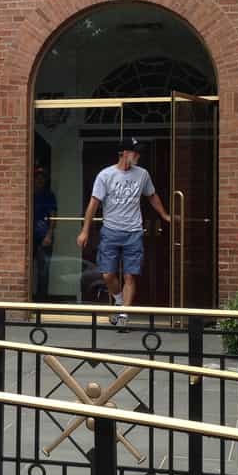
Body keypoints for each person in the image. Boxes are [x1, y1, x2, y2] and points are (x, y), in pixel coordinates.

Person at [75, 137, 171, 331]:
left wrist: (164, 215)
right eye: (134, 152)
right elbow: (94, 204)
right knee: (108, 274)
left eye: (138, 152)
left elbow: (151, 195)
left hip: (134, 232)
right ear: (124, 153)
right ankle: (119, 301)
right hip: (111, 231)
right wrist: (84, 230)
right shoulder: (106, 175)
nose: (138, 155)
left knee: (130, 276)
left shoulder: (142, 174)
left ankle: (123, 316)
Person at [32, 165, 57, 301]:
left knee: (43, 271)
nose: (40, 180)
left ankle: (41, 302)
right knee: (26, 269)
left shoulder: (49, 196)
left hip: (43, 237)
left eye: (42, 178)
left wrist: (49, 235)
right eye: (37, 177)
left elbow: (53, 216)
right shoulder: (29, 194)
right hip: (29, 238)